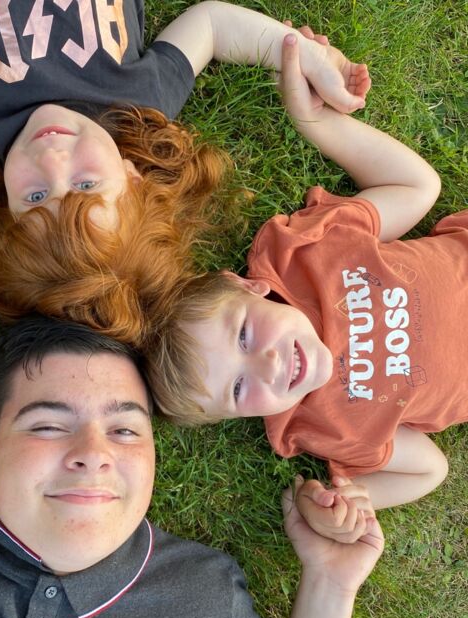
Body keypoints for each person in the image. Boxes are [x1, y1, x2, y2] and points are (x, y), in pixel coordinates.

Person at [0, 266, 383, 618]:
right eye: (49, 425)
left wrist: (330, 584)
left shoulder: (204, 599)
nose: (92, 455)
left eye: (124, 431)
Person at [0, 1, 370, 348]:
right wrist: (300, 56)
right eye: (87, 186)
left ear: (6, 211)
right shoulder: (137, 104)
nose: (52, 160)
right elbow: (211, 25)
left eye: (34, 196)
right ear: (133, 178)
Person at [143, 32, 463, 536]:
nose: (268, 365)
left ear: (247, 288)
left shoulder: (306, 256)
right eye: (238, 388)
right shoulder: (322, 424)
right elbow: (430, 469)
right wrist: (356, 500)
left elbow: (417, 187)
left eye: (244, 336)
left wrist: (317, 122)